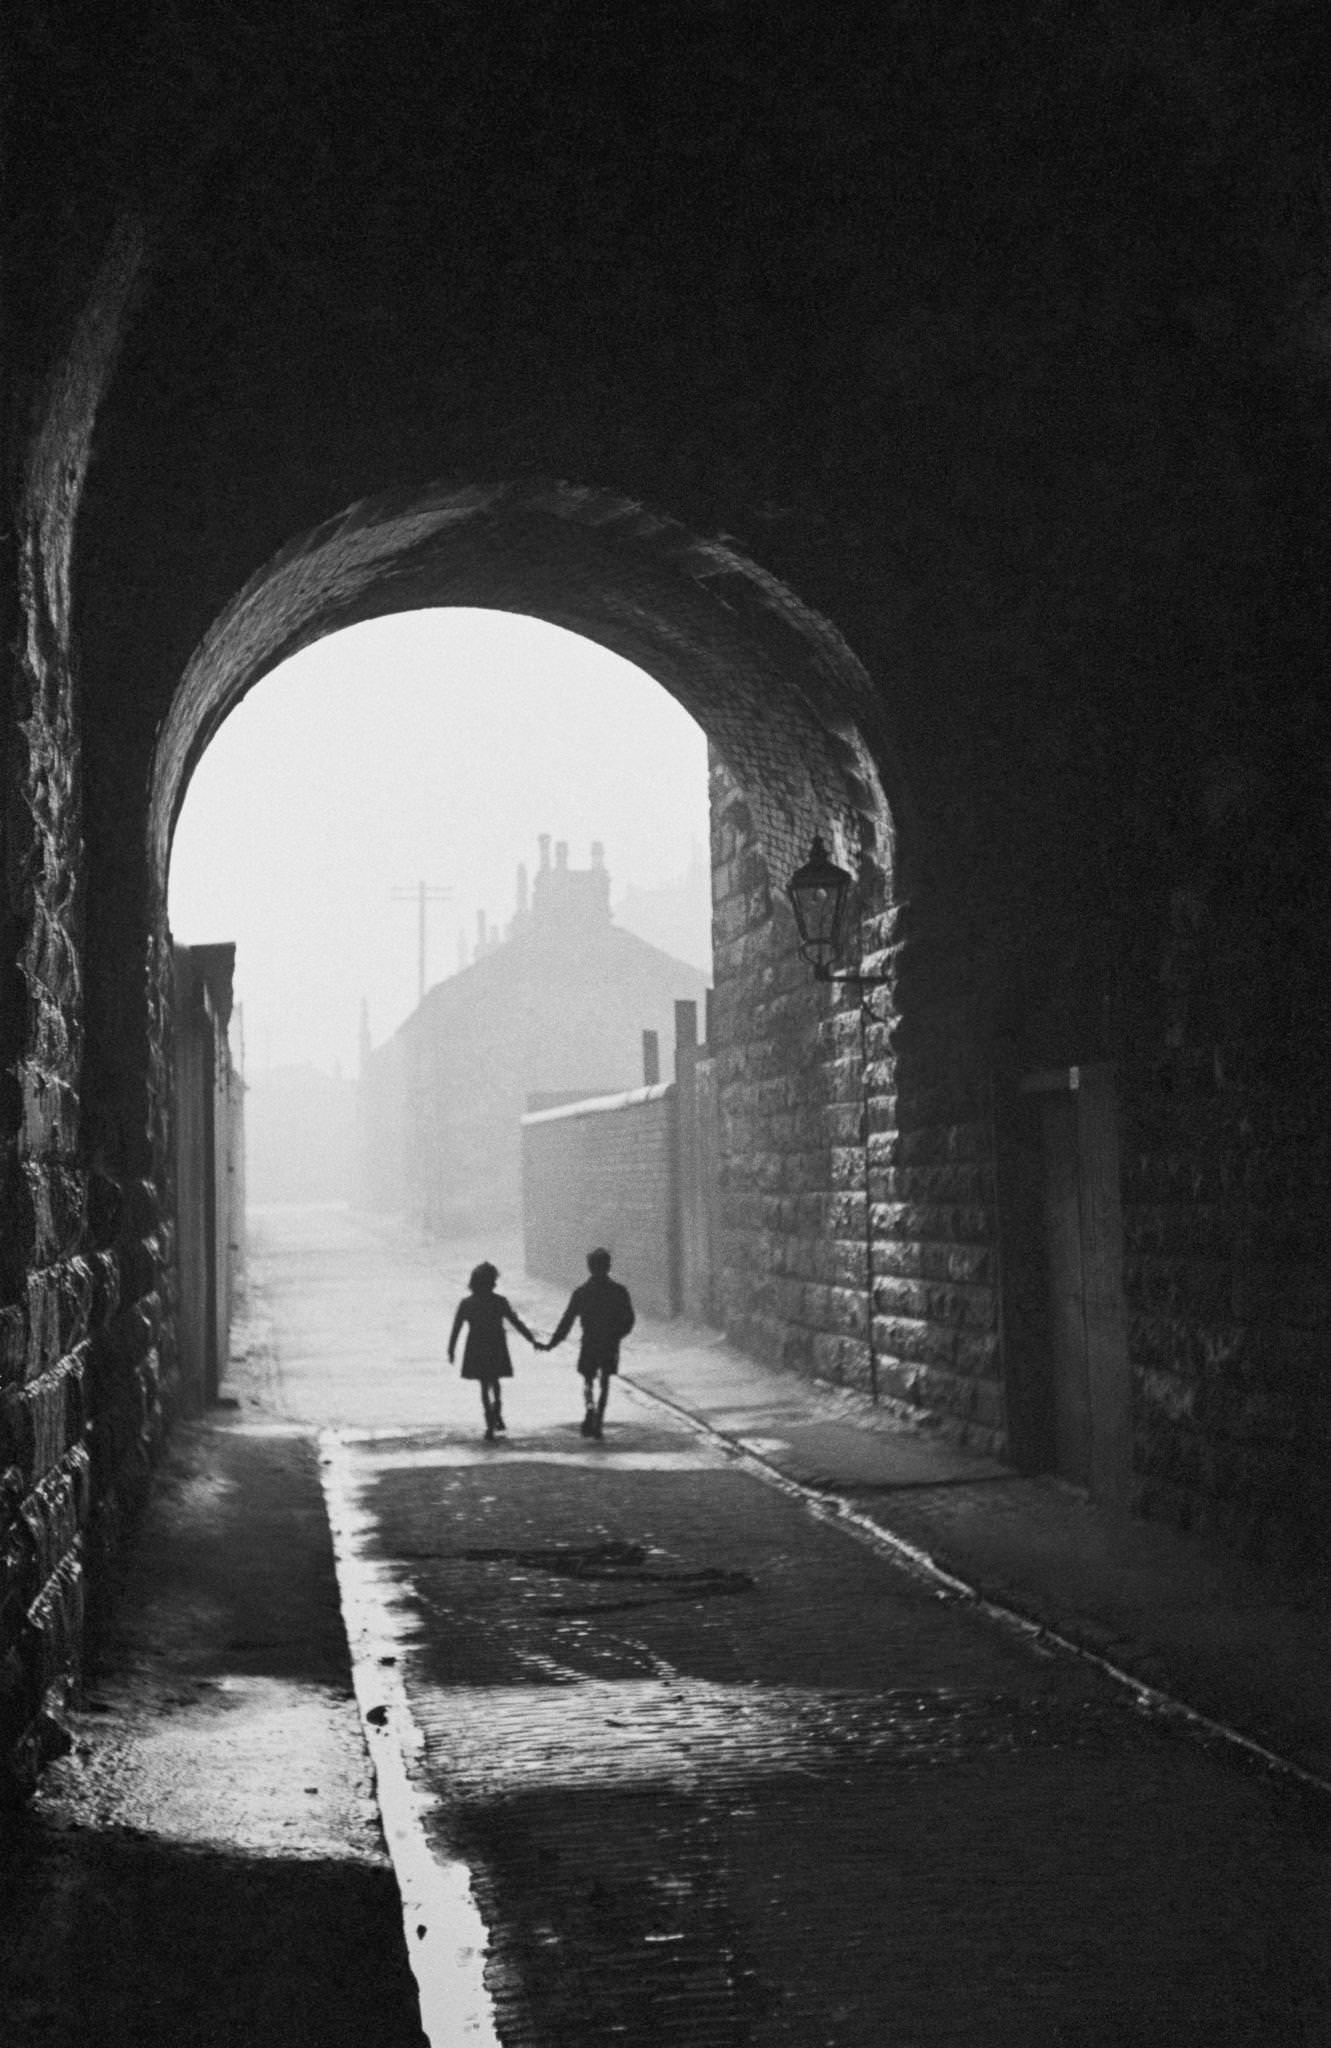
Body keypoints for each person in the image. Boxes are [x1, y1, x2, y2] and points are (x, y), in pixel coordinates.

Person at [541, 1248, 635, 1438]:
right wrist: (617, 1334)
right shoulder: (619, 1291)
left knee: (587, 1379)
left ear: (589, 1267)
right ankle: (599, 1418)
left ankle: (589, 1406)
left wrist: (552, 1343)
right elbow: (629, 1319)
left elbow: (566, 1321)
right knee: (605, 1380)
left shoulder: (581, 1293)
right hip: (609, 1342)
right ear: (608, 1266)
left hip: (589, 1341)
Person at [447, 1261, 539, 1441]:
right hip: (496, 1344)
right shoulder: (500, 1302)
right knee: (495, 1382)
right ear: (492, 1282)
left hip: (476, 1346)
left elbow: (456, 1328)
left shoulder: (467, 1304)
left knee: (483, 1384)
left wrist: (451, 1349)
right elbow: (516, 1322)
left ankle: (489, 1420)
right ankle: (497, 1412)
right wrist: (531, 1339)